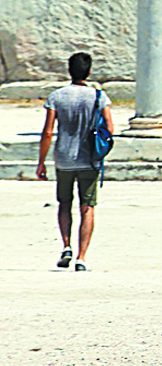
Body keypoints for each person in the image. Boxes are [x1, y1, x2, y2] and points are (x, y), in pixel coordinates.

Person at [37, 52, 114, 270]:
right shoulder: (99, 96)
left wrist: (41, 162)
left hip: (63, 158)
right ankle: (82, 257)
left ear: (69, 71)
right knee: (87, 206)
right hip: (89, 159)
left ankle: (66, 246)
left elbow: (48, 132)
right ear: (89, 72)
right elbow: (109, 128)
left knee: (64, 203)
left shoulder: (56, 96)